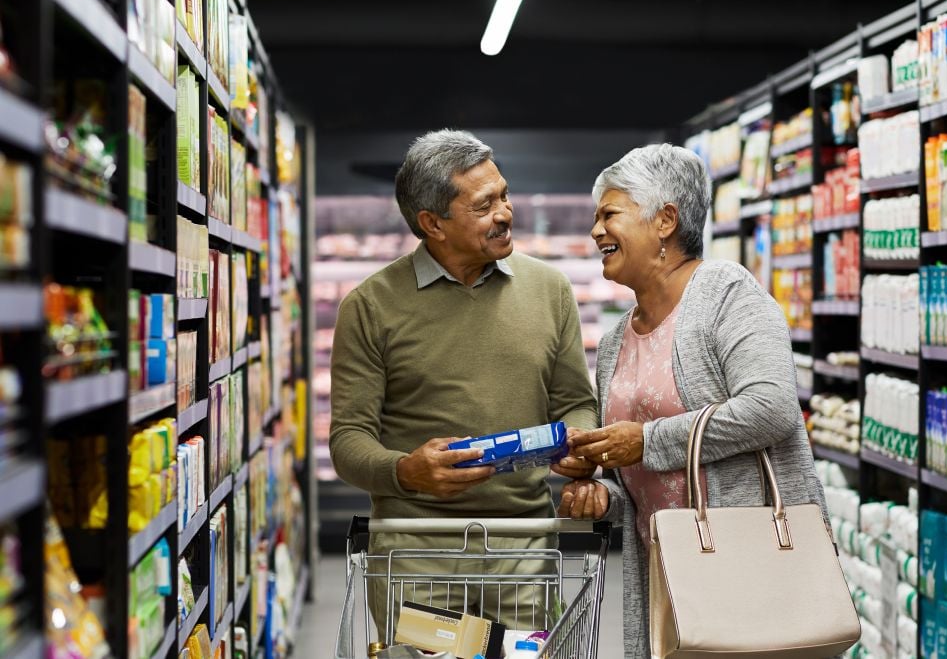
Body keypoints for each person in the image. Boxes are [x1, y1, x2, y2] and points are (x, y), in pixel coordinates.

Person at [552, 143, 829, 658]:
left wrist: (646, 441)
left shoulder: (726, 293)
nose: (595, 231)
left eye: (609, 214)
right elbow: (641, 483)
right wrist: (602, 495)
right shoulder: (615, 342)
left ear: (665, 221)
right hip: (668, 572)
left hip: (748, 565)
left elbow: (771, 408)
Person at [329, 129, 598, 632]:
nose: (505, 213)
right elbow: (348, 441)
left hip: (525, 553)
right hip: (418, 556)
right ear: (433, 223)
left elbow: (577, 404)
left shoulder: (549, 290)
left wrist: (579, 447)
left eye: (504, 195)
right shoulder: (370, 306)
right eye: (483, 205)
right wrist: (406, 471)